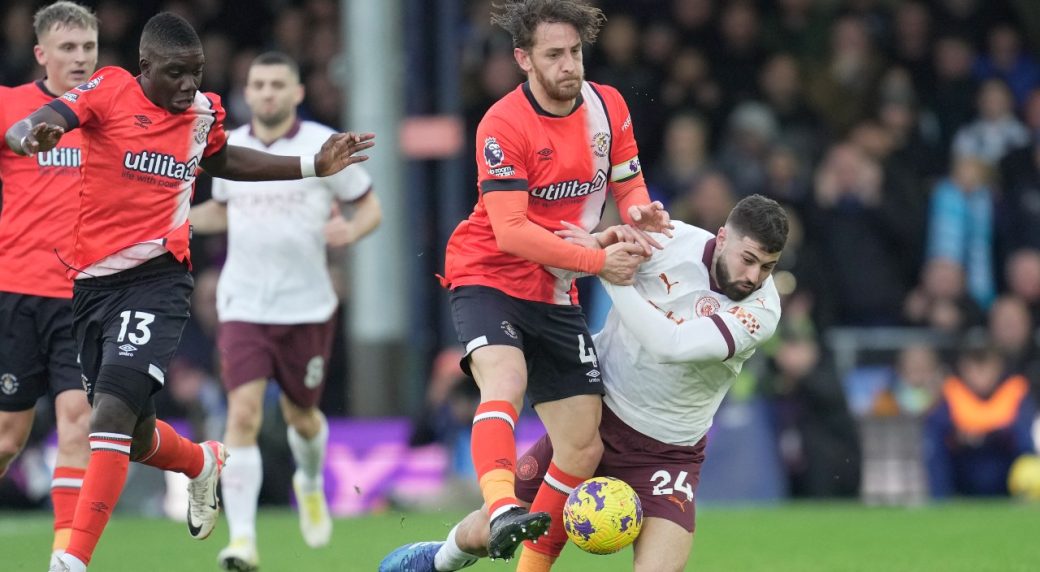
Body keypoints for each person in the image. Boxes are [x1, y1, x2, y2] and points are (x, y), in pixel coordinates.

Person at [5, 12, 374, 572]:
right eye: (175, 74)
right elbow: (47, 117)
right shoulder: (109, 89)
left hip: (158, 280)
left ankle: (71, 560)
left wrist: (309, 165)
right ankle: (201, 464)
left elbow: (223, 159)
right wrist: (35, 132)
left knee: (105, 416)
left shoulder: (203, 112)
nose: (188, 86)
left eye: (196, 74)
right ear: (144, 67)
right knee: (134, 433)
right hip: (90, 286)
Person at [382, 194, 788, 572]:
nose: (754, 276)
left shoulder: (763, 310)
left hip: (668, 454)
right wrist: (591, 251)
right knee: (490, 530)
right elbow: (562, 269)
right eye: (748, 259)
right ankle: (438, 560)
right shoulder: (670, 242)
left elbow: (673, 345)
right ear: (722, 239)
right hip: (592, 419)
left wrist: (607, 274)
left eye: (767, 267)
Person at [437, 0, 671, 566]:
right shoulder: (503, 123)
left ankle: (482, 559)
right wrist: (596, 262)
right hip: (487, 273)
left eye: (575, 52)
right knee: (506, 378)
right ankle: (499, 510)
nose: (570, 65)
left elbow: (629, 187)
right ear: (523, 59)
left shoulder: (607, 106)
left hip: (557, 286)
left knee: (583, 445)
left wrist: (640, 217)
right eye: (554, 55)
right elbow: (511, 232)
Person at [188, 51, 382, 572]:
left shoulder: (325, 145)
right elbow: (221, 210)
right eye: (258, 84)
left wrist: (352, 230)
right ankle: (243, 542)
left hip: (308, 306)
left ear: (297, 92)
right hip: (244, 303)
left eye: (278, 83)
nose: (268, 92)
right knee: (243, 414)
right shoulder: (229, 148)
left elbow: (371, 207)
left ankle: (310, 482)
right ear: (246, 93)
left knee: (302, 416)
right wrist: (173, 218)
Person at [0, 3, 97, 568]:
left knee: (76, 423)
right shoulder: (11, 104)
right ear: (41, 53)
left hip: (83, 298)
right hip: (17, 293)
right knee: (9, 438)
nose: (79, 58)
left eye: (87, 47)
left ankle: (66, 556)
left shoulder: (109, 111)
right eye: (67, 48)